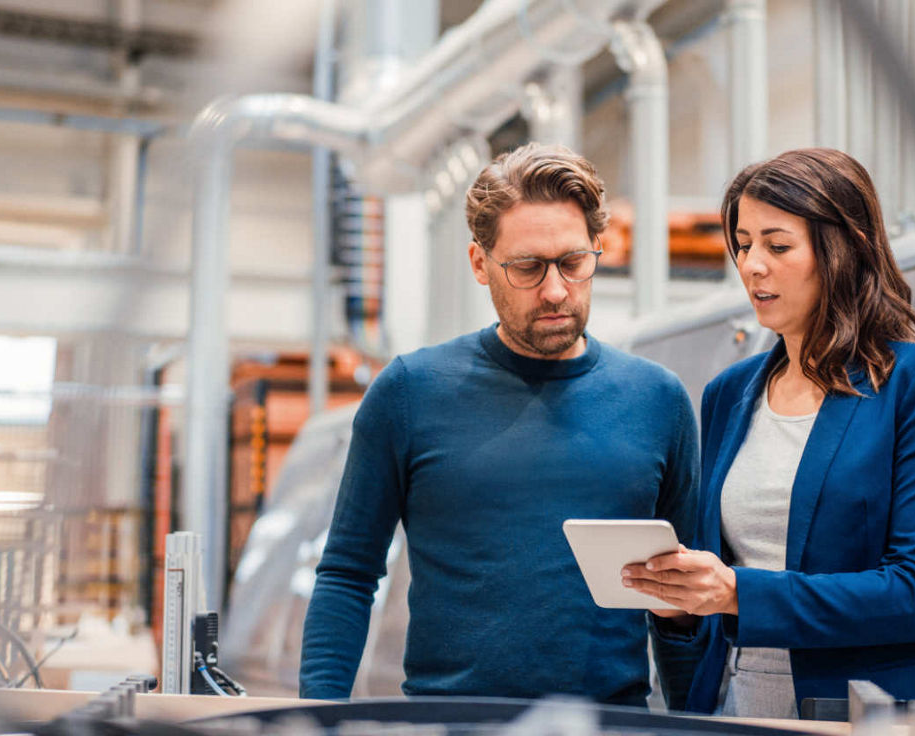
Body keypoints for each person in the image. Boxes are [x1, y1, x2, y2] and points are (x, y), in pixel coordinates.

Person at [299, 142, 700, 705]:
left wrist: (694, 729)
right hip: (449, 731)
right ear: (479, 264)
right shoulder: (410, 392)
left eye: (573, 263)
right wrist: (317, 720)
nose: (555, 290)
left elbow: (682, 600)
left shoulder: (657, 399)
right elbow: (348, 574)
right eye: (528, 268)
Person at [622, 148, 915, 716]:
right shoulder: (728, 394)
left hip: (872, 716)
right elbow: (721, 590)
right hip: (741, 708)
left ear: (843, 251)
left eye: (778, 245)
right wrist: (681, 605)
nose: (752, 265)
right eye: (743, 244)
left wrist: (738, 592)